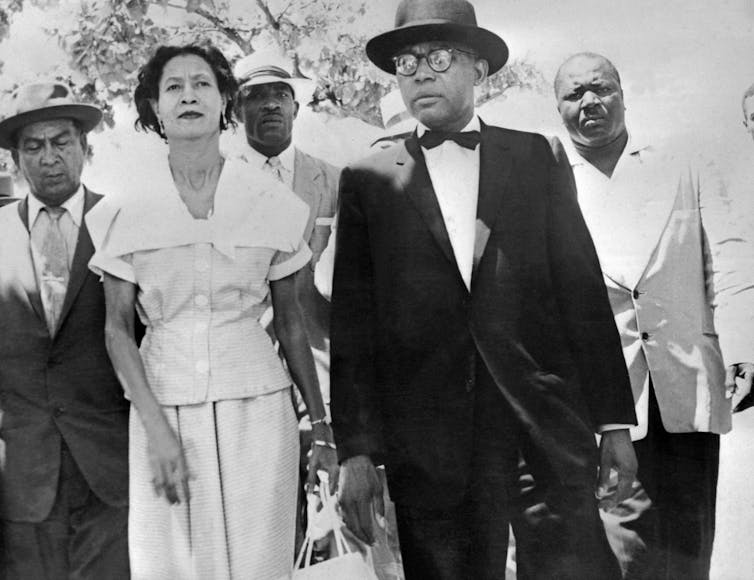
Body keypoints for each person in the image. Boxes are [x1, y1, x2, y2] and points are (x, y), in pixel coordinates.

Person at [330, 1, 638, 579]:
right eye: (406, 60)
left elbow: (582, 295)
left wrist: (613, 423)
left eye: (439, 55)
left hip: (541, 430)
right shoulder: (368, 180)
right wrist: (356, 450)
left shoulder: (535, 157)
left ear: (478, 69)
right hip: (429, 443)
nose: (421, 71)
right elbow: (353, 328)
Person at [86, 43, 337, 579]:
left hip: (259, 410)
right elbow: (116, 332)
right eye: (172, 87)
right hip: (163, 410)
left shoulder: (274, 204)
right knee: (171, 565)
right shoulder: (124, 207)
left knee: (258, 565)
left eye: (202, 84)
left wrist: (320, 427)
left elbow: (292, 324)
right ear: (154, 108)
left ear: (225, 100)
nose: (188, 96)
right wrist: (154, 428)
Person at [553, 51, 754, 580]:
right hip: (606, 405)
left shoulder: (685, 161)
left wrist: (742, 345)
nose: (589, 102)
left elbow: (728, 258)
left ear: (623, 93)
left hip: (688, 384)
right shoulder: (548, 184)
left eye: (600, 89)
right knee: (628, 555)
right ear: (557, 108)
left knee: (690, 551)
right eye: (574, 95)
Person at [0, 82, 129, 578]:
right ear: (15, 159)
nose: (49, 157)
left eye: (62, 142)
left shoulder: (123, 223)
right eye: (33, 146)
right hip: (23, 481)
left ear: (84, 147)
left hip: (110, 473)